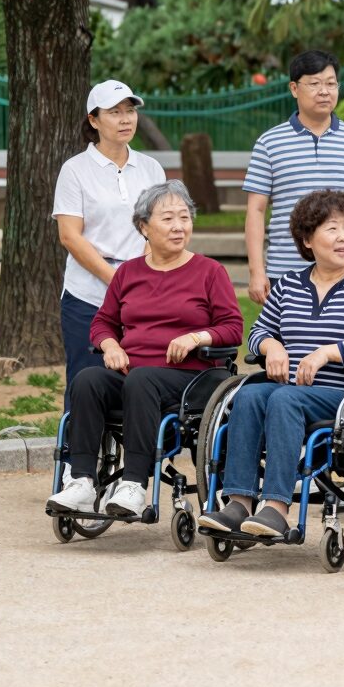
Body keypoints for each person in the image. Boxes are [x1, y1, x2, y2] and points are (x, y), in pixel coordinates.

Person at [199, 190, 344, 538]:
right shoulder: (290, 284)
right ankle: (239, 502)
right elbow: (258, 331)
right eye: (332, 229)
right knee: (248, 395)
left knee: (282, 398)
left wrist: (328, 352)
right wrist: (272, 345)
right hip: (290, 389)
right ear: (308, 240)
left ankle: (276, 508)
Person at [46, 181, 243, 518]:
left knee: (142, 380)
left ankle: (134, 484)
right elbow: (103, 322)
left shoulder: (209, 272)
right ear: (143, 227)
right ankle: (80, 481)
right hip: (134, 374)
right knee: (87, 379)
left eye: (185, 217)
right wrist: (109, 345)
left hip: (190, 379)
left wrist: (196, 337)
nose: (179, 226)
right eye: (168, 219)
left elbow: (233, 327)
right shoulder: (128, 273)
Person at [52, 80, 166, 406]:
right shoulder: (74, 170)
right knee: (85, 381)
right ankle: (78, 455)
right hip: (86, 295)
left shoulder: (151, 167)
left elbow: (157, 228)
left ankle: (136, 453)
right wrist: (117, 280)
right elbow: (70, 236)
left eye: (129, 111)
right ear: (94, 120)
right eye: (114, 112)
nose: (126, 119)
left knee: (140, 382)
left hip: (142, 294)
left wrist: (140, 277)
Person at [243, 50, 344, 305]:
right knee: (286, 343)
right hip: (285, 272)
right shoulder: (269, 143)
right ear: (294, 88)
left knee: (342, 344)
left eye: (331, 83)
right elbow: (256, 210)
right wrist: (256, 271)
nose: (324, 91)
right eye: (315, 83)